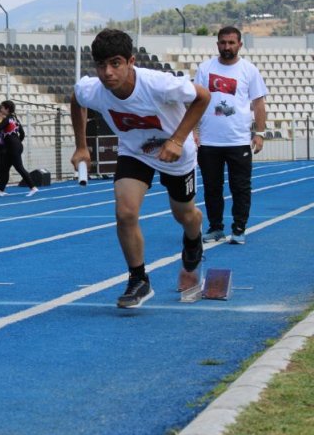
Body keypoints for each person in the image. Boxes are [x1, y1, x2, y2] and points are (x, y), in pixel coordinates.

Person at [70, 28, 211, 309]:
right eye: (101, 65)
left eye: (115, 64)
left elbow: (203, 96)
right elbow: (76, 100)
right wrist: (81, 146)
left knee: (184, 214)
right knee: (125, 213)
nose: (108, 72)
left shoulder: (158, 84)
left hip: (176, 154)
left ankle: (193, 239)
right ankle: (138, 279)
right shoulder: (93, 90)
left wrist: (177, 139)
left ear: (131, 61)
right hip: (135, 153)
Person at [194, 26, 268, 245]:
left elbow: (258, 103)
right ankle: (216, 228)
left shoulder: (249, 70)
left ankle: (239, 228)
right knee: (212, 188)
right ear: (217, 44)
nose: (227, 46)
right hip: (209, 141)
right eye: (223, 42)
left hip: (238, 140)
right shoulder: (205, 68)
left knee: (241, 187)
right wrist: (193, 131)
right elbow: (195, 101)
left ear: (239, 45)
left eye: (231, 43)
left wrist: (260, 133)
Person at [0, 100, 38, 197]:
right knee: (4, 168)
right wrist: (17, 142)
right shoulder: (15, 119)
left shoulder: (7, 119)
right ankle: (0, 190)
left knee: (19, 167)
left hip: (13, 147)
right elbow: (22, 134)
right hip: (15, 146)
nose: (1, 109)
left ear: (7, 109)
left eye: (2, 107)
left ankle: (33, 187)